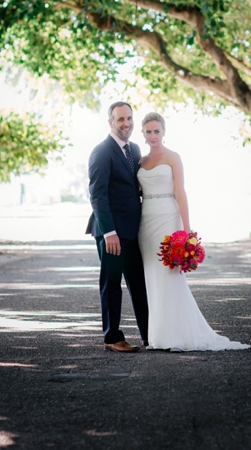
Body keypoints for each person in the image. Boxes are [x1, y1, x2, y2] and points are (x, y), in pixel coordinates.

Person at [137, 112, 249, 351]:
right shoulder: (140, 161)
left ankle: (177, 335)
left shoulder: (173, 157)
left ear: (164, 132)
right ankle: (158, 335)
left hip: (168, 217)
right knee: (152, 276)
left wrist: (187, 232)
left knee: (170, 275)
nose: (153, 135)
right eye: (149, 131)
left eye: (157, 131)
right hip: (145, 220)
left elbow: (181, 192)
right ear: (143, 134)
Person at [86, 102, 149, 352]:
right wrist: (110, 232)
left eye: (130, 118)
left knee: (139, 283)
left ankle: (149, 333)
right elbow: (97, 195)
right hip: (110, 232)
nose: (127, 123)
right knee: (112, 284)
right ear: (111, 123)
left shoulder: (134, 149)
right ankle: (112, 337)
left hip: (133, 230)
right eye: (121, 119)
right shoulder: (101, 151)